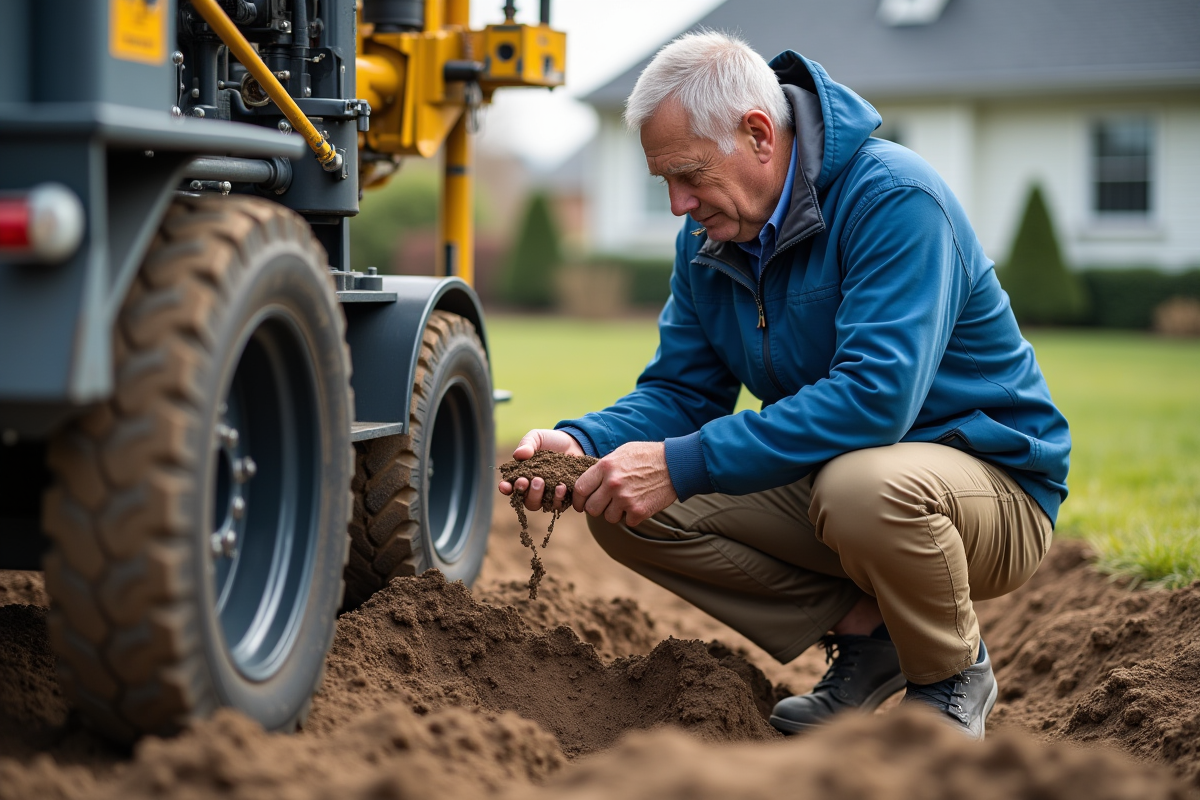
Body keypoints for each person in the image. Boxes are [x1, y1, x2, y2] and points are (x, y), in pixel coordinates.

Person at [498, 31, 1069, 740]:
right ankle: (871, 640)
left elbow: (874, 401)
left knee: (862, 488)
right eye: (664, 183)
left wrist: (681, 463)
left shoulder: (895, 199)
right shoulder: (709, 241)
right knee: (624, 500)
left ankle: (952, 676)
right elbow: (681, 392)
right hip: (843, 477)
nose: (678, 204)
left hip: (991, 488)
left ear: (759, 134)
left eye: (689, 174)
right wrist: (583, 441)